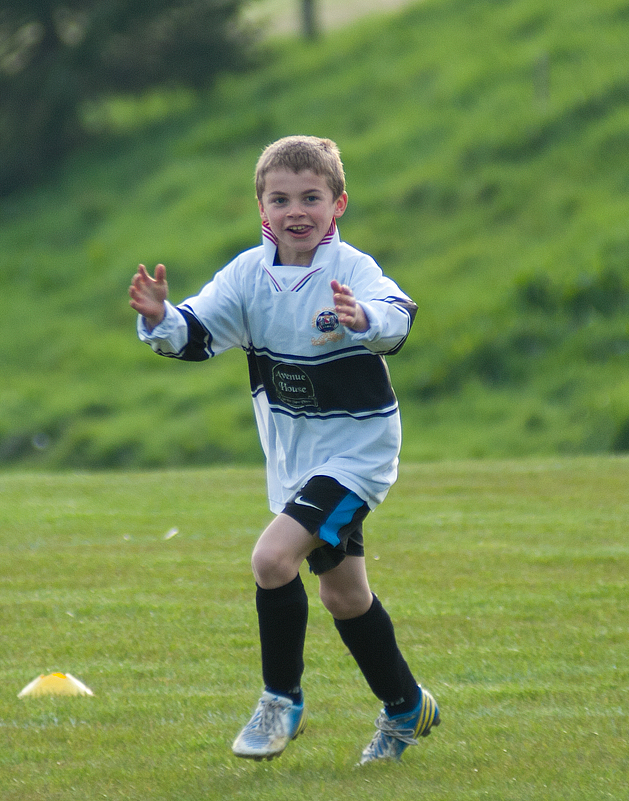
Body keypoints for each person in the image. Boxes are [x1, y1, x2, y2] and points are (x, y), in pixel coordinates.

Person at [128, 135, 439, 766]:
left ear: (338, 204)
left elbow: (398, 316)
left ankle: (280, 700)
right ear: (262, 208)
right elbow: (195, 333)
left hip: (357, 456)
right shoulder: (249, 274)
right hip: (296, 462)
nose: (296, 211)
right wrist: (161, 318)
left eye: (311, 198)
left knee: (272, 559)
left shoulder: (352, 270)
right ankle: (408, 706)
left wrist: (364, 320)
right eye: (281, 199)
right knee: (344, 597)